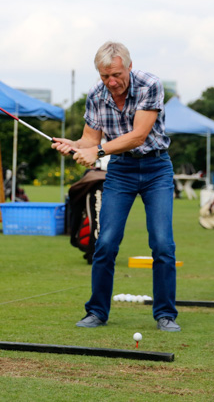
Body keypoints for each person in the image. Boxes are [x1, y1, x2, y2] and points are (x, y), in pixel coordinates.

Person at [52, 41, 180, 332]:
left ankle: (165, 314)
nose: (111, 82)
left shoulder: (150, 85)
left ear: (129, 67)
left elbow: (138, 135)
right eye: (104, 76)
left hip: (156, 168)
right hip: (121, 170)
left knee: (162, 244)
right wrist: (72, 145)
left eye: (116, 75)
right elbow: (89, 138)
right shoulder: (97, 94)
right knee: (105, 243)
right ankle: (97, 312)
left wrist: (96, 152)